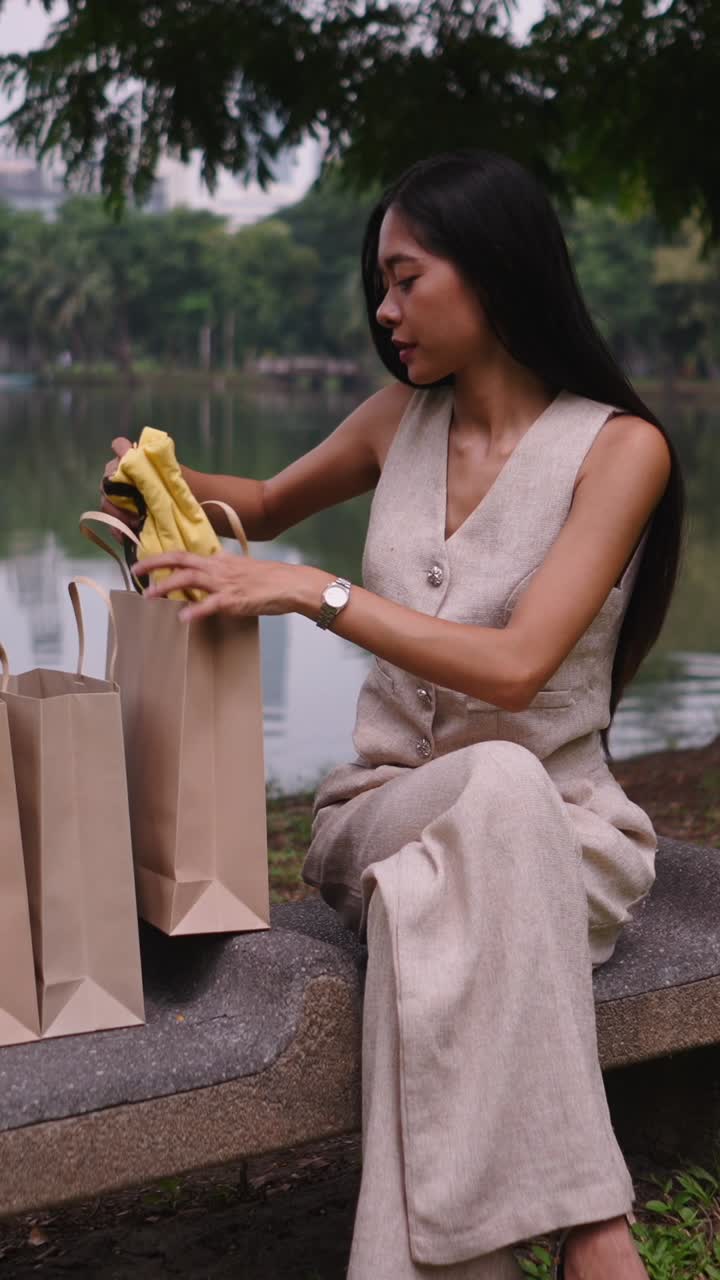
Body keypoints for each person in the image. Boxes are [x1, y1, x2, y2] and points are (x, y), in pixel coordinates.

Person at [105, 150, 684, 1279]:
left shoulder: (623, 450)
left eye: (406, 277)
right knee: (477, 808)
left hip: (565, 836)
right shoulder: (395, 419)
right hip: (379, 813)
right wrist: (154, 479)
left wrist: (310, 590)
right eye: (384, 281)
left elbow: (518, 669)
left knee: (489, 820)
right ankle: (595, 1225)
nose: (384, 307)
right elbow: (266, 502)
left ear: (494, 272)